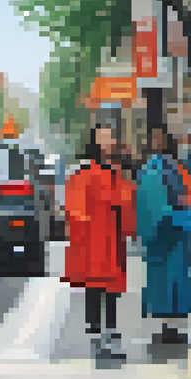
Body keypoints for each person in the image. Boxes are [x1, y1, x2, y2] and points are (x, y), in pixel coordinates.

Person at [137, 126, 191, 345]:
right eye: (154, 138)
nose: (157, 142)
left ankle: (173, 328)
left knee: (176, 284)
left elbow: (190, 195)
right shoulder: (153, 169)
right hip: (164, 235)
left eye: (160, 138)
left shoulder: (173, 168)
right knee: (165, 285)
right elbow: (148, 202)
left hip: (175, 233)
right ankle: (167, 328)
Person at [63, 124, 136, 358]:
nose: (107, 142)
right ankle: (97, 337)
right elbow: (76, 207)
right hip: (94, 240)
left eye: (110, 137)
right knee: (95, 287)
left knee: (112, 289)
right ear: (94, 142)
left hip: (113, 239)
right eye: (102, 137)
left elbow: (126, 200)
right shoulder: (85, 171)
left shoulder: (117, 170)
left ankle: (111, 333)